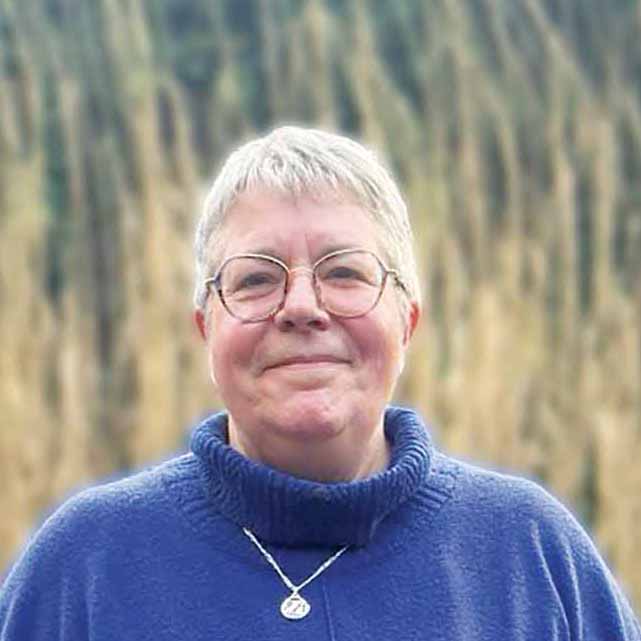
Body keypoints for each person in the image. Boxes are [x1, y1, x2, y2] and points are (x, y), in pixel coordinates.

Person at [1, 126, 639, 641]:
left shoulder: (529, 554)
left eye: (345, 273)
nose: (302, 306)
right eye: (256, 279)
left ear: (407, 320)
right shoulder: (86, 566)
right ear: (205, 327)